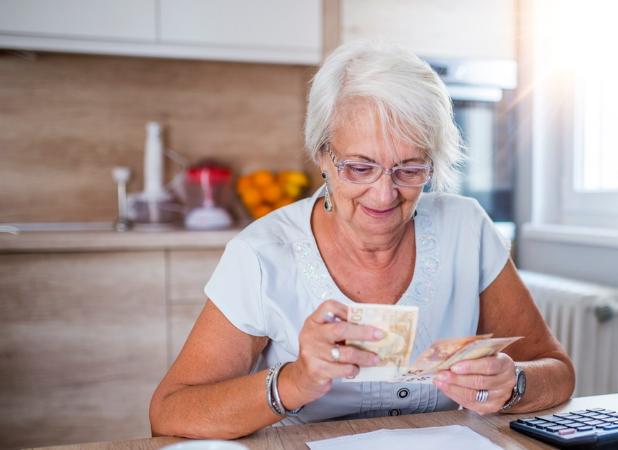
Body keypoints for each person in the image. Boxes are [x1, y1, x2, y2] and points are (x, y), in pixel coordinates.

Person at [149, 41, 575, 439]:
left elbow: (557, 371)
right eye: (359, 167)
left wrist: (513, 382)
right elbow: (170, 412)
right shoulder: (262, 253)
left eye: (410, 169)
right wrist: (295, 381)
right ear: (322, 156)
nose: (384, 193)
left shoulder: (466, 228)